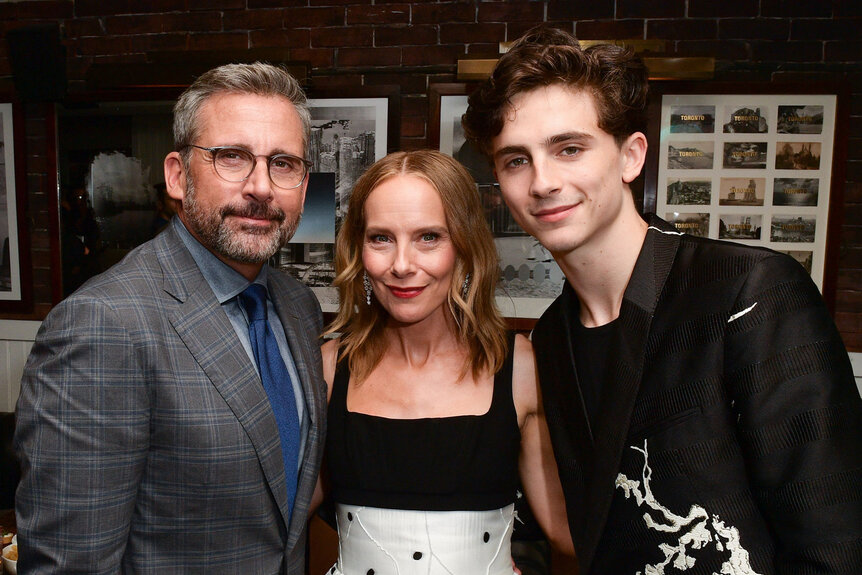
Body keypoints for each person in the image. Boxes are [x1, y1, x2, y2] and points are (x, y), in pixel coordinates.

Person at [462, 26, 862, 575]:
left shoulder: (750, 290)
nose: (543, 182)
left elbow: (836, 545)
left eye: (569, 148)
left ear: (631, 157)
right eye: (515, 161)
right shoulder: (553, 337)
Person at [15, 62, 326, 574]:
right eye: (232, 157)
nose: (261, 187)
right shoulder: (102, 325)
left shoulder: (297, 306)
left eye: (284, 164)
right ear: (178, 176)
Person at [315, 150, 573, 574]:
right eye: (380, 238)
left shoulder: (519, 366)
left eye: (428, 237)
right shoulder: (328, 367)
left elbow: (568, 533)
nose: (401, 265)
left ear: (464, 244)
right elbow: (274, 517)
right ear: (358, 249)